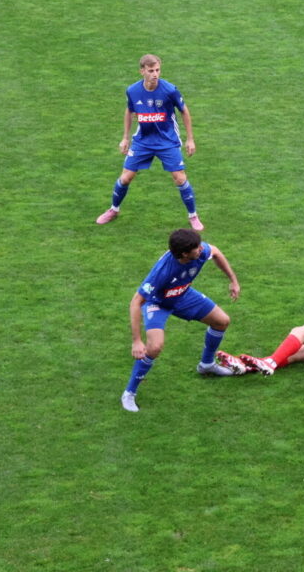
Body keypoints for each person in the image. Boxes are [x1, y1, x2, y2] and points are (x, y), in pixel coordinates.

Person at [120, 229, 241, 412]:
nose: (202, 248)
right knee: (154, 347)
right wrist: (136, 341)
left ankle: (206, 364)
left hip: (182, 295)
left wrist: (233, 280)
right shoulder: (163, 272)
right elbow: (136, 302)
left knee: (221, 321)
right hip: (158, 303)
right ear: (185, 253)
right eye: (196, 248)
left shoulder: (200, 252)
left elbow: (216, 251)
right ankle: (129, 393)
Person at [96, 54, 205, 231]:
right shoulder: (132, 90)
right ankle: (113, 210)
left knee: (179, 178)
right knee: (125, 178)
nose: (155, 74)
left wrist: (190, 139)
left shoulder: (169, 90)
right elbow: (129, 112)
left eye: (157, 70)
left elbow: (184, 111)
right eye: (151, 70)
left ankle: (193, 216)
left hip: (167, 140)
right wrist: (125, 137)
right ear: (142, 71)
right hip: (143, 141)